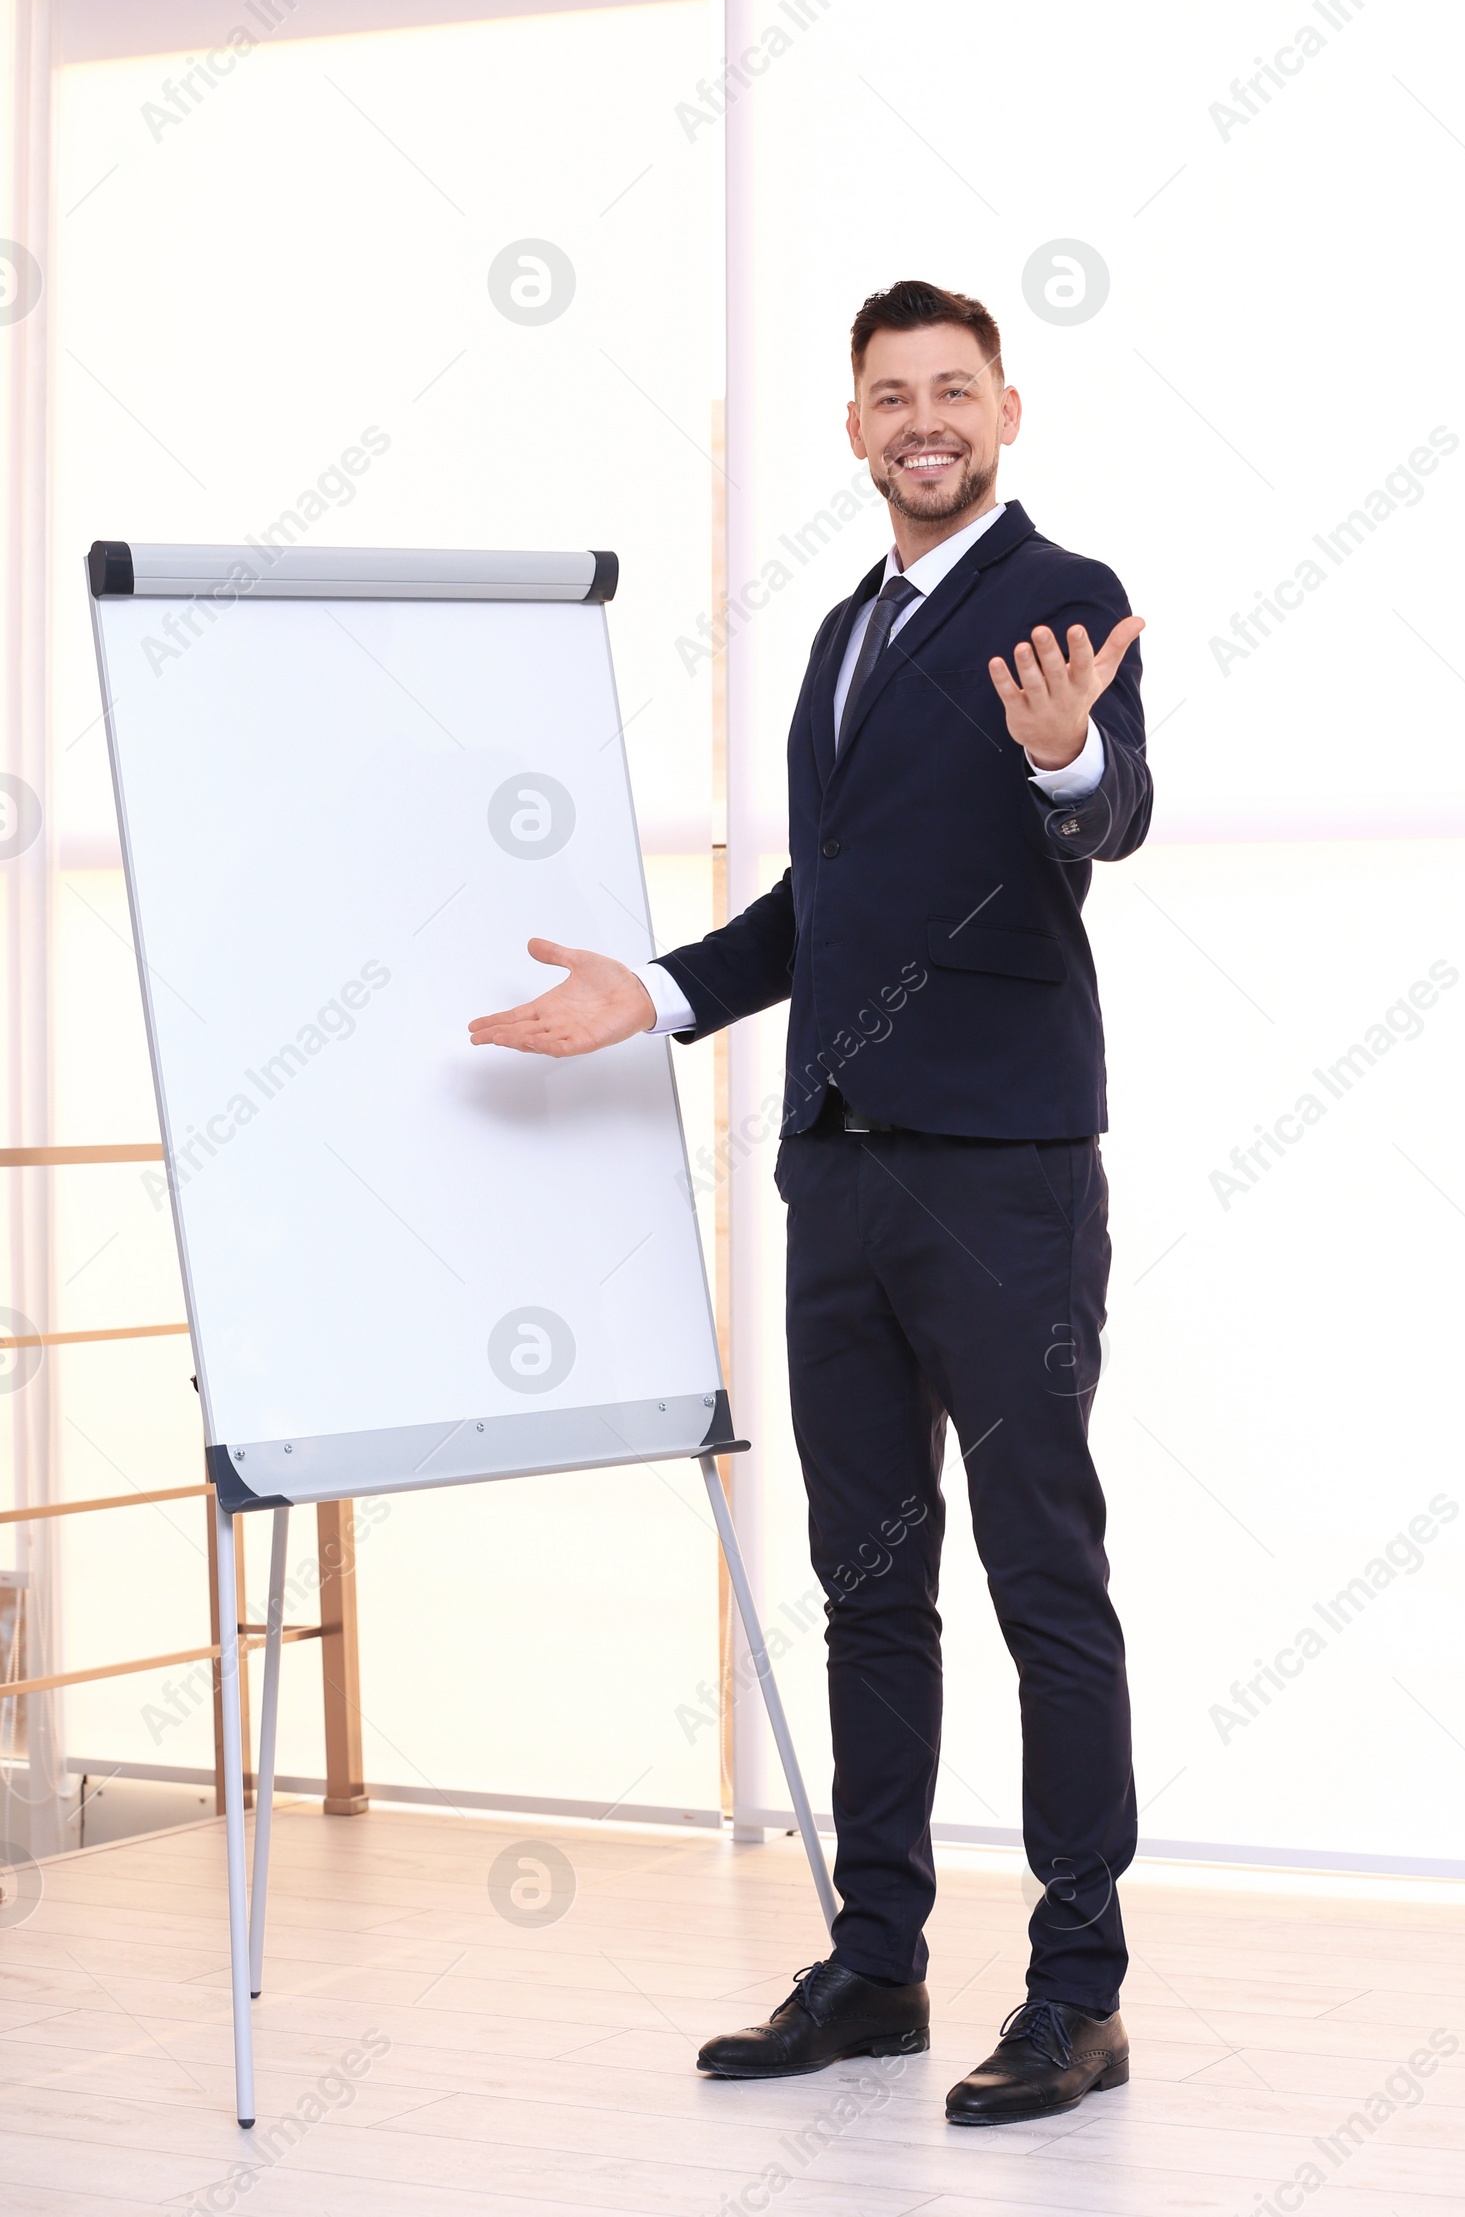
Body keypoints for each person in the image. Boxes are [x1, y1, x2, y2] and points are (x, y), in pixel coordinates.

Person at [469, 279, 1150, 2127]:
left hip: (1002, 1179)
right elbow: (817, 907)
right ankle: (879, 1959)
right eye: (889, 397)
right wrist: (662, 996)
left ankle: (1077, 1986)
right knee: (869, 1587)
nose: (923, 420)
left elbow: (1111, 815)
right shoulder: (846, 632)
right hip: (835, 1170)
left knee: (1043, 1577)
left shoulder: (1061, 601)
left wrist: (1066, 758)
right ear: (855, 430)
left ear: (1007, 406)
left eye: (953, 390)